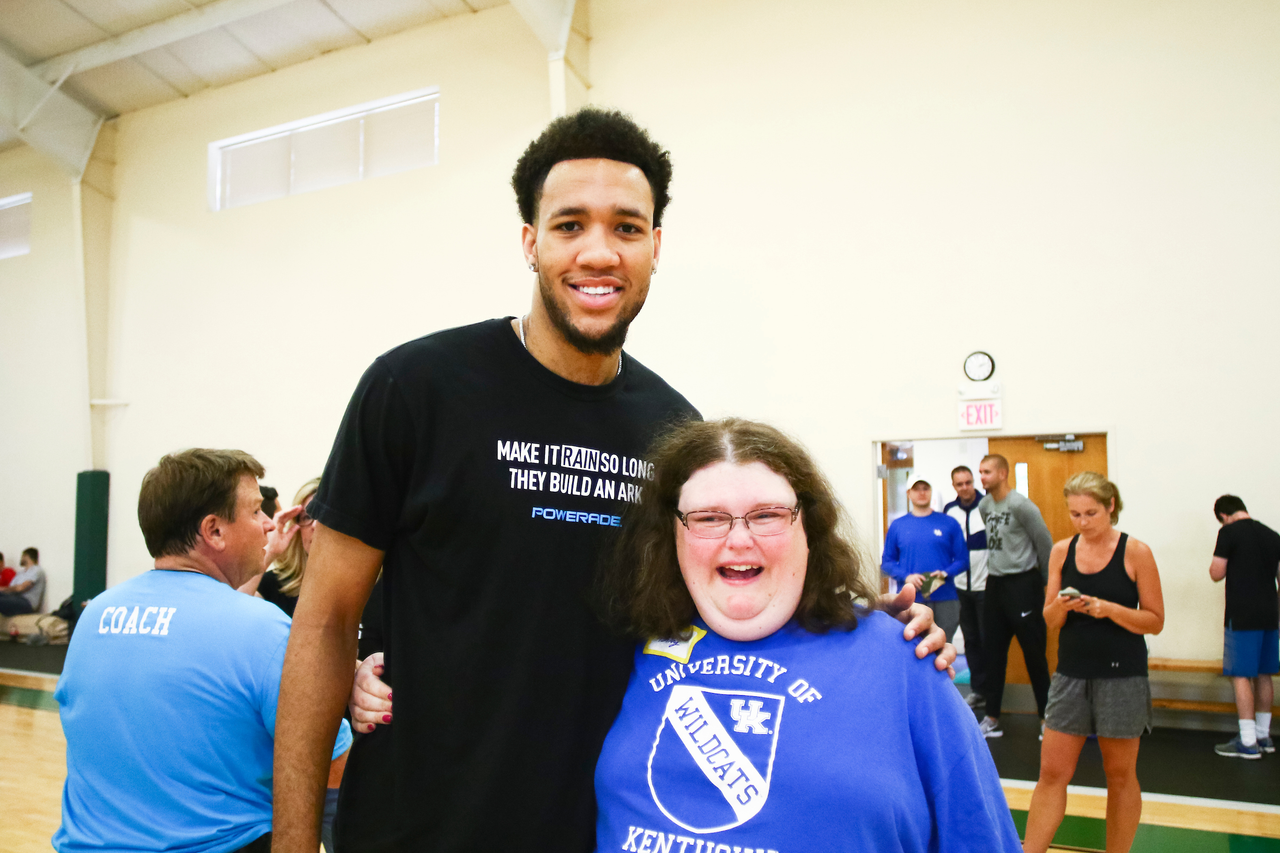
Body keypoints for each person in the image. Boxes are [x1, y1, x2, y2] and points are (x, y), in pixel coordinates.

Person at [276, 108, 954, 853]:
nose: (599, 251)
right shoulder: (414, 387)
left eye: (627, 228)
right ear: (531, 242)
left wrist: (875, 633)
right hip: (417, 828)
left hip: (611, 831)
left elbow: (727, 601)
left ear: (656, 247)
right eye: (570, 225)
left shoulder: (676, 435)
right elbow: (324, 622)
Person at [593, 418, 1021, 852]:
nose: (739, 539)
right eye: (708, 518)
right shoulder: (631, 650)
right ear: (672, 534)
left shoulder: (903, 660)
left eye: (767, 515)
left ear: (809, 530)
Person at [53, 449, 351, 853]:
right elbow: (334, 767)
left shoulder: (94, 615)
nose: (268, 525)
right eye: (255, 511)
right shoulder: (262, 628)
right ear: (214, 531)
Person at [1023, 473, 1164, 853]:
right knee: (1051, 774)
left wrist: (1109, 610)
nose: (1083, 522)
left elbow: (1155, 620)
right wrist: (1062, 606)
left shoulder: (1136, 552)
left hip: (1123, 677)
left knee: (1119, 777)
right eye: (1075, 514)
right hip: (1071, 676)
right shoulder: (1061, 551)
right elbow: (1049, 620)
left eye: (1091, 513)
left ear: (1110, 507)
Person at [977, 454, 1054, 739]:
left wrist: (1047, 585)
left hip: (1024, 584)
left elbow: (1045, 543)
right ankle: (992, 717)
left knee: (1034, 654)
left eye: (987, 472)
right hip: (995, 584)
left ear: (1002, 474)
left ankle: (1046, 718)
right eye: (980, 472)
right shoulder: (985, 505)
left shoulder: (1022, 505)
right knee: (993, 654)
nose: (982, 477)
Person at [1208, 494, 1280, 759]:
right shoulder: (1273, 535)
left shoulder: (1228, 533)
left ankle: (1247, 742)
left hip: (1242, 615)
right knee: (1264, 674)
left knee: (1241, 675)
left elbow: (1216, 573)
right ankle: (1263, 735)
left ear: (1223, 516)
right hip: (1270, 615)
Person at [882, 476, 967, 640]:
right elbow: (887, 563)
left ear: (931, 492)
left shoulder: (949, 523)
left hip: (945, 599)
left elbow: (963, 560)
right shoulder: (898, 526)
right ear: (908, 493)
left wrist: (945, 573)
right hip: (910, 601)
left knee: (942, 647)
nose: (921, 493)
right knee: (912, 647)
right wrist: (907, 577)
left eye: (925, 488)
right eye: (916, 489)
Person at [242, 478, 321, 618]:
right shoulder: (275, 584)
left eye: (325, 516)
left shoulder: (367, 583)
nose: (315, 525)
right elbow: (234, 618)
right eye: (307, 517)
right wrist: (269, 552)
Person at [945, 465, 989, 711]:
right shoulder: (949, 512)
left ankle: (992, 693)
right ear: (954, 486)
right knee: (970, 640)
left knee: (987, 639)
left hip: (985, 586)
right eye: (959, 484)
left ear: (974, 483)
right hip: (960, 587)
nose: (965, 488)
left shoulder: (987, 507)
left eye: (968, 482)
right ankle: (978, 691)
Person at [0, 547, 46, 616]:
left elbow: (21, 588)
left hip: (27, 602)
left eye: (22, 556)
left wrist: (3, 589)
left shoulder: (37, 570)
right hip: (14, 598)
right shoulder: (20, 573)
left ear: (26, 556)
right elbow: (10, 590)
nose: (20, 559)